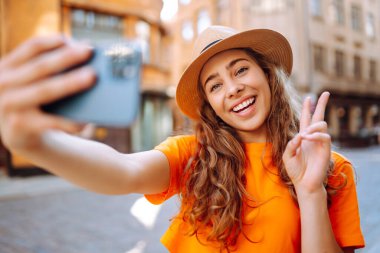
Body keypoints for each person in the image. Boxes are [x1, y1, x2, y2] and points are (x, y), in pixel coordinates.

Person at [0, 26, 365, 252]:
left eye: (241, 70)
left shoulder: (331, 168)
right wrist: (35, 143)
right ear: (210, 105)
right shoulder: (192, 155)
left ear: (268, 76)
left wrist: (310, 191)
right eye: (216, 85)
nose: (234, 88)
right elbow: (123, 170)